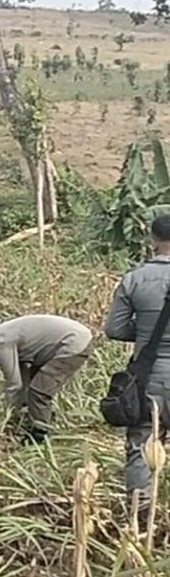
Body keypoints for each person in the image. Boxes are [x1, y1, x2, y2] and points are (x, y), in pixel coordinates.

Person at [104, 213, 170, 510]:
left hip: (148, 378)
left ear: (153, 241)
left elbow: (114, 329)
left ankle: (140, 514)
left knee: (140, 443)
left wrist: (145, 332)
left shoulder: (134, 278)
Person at [0, 315, 93, 441]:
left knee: (39, 390)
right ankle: (40, 421)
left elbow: (14, 385)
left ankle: (39, 433)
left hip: (73, 344)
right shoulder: (2, 334)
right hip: (73, 338)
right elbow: (23, 380)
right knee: (34, 385)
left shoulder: (0, 343)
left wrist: (8, 416)